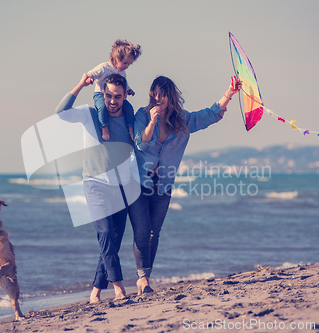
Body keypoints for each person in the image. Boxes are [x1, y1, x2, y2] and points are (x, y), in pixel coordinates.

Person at [128, 75, 242, 294]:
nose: (157, 99)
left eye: (162, 95)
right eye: (154, 95)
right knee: (142, 231)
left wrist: (229, 93)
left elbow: (211, 115)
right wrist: (152, 121)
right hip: (139, 182)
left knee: (154, 233)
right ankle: (142, 279)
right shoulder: (142, 115)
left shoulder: (182, 120)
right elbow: (141, 144)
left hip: (163, 184)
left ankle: (146, 277)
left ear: (171, 96)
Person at [55, 73, 139, 303]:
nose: (113, 101)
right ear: (103, 94)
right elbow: (60, 112)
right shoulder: (90, 114)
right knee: (104, 235)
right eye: (109, 95)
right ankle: (119, 288)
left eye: (118, 97)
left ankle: (95, 290)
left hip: (122, 189)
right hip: (95, 185)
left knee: (113, 241)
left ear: (124, 96)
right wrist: (81, 84)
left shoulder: (130, 121)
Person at [87, 39, 142, 141]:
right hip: (100, 94)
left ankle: (130, 128)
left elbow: (125, 83)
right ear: (116, 58)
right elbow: (93, 73)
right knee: (102, 108)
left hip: (116, 96)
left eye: (128, 64)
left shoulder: (122, 72)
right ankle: (104, 128)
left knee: (129, 108)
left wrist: (129, 90)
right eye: (125, 63)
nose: (126, 66)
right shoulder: (104, 67)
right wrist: (90, 78)